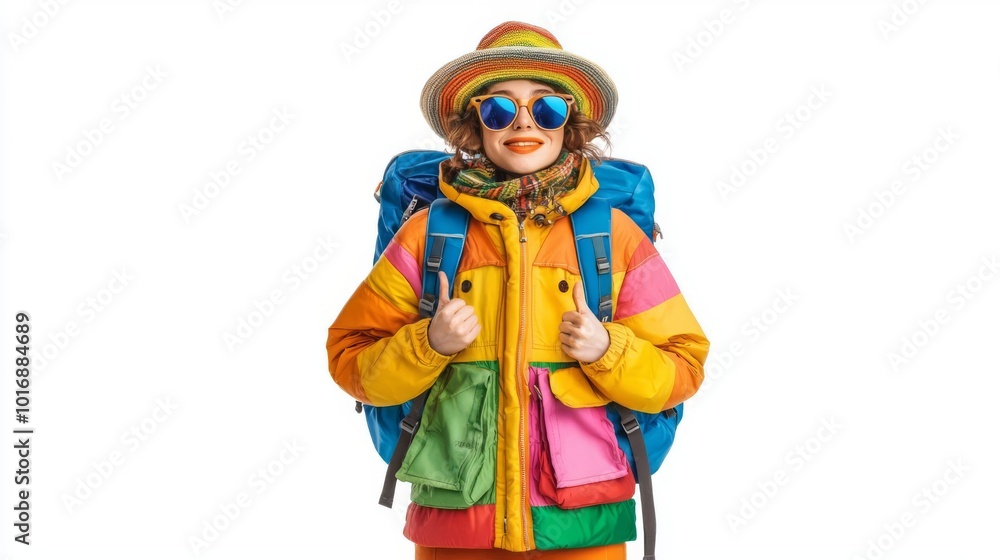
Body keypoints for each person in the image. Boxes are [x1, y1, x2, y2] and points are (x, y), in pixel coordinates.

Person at [327, 21, 710, 560]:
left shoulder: (613, 236)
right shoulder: (427, 234)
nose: (524, 122)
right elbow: (351, 359)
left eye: (546, 108)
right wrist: (428, 344)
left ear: (569, 124)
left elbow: (684, 366)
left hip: (584, 530)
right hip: (457, 527)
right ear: (475, 125)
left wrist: (608, 350)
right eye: (499, 108)